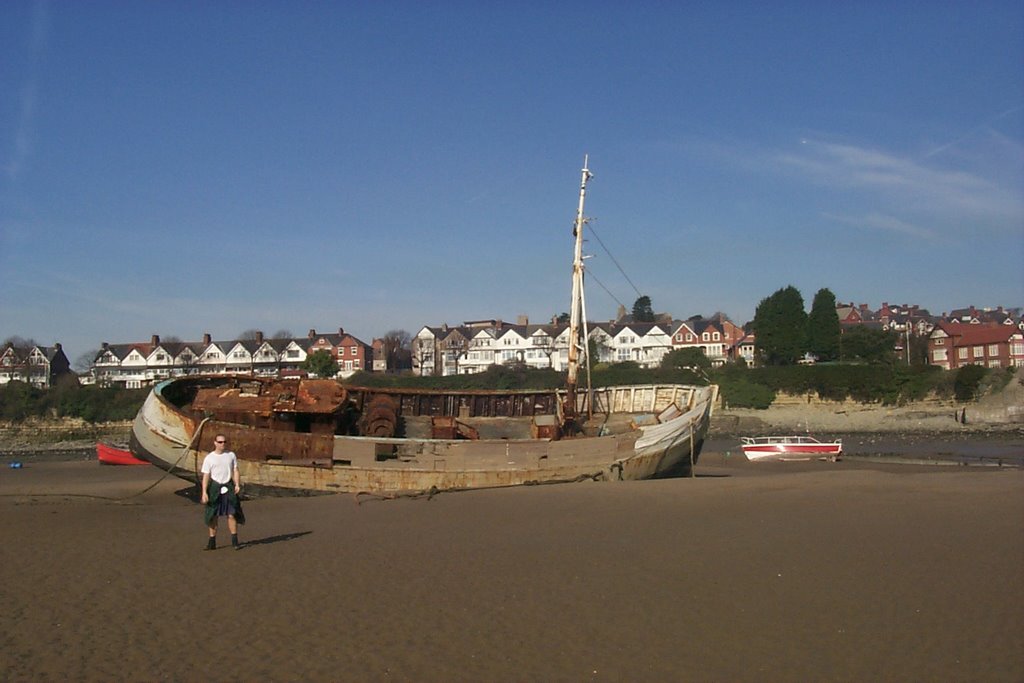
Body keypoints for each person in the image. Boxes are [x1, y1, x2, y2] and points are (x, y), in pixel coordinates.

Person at [200, 434, 245, 550]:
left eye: (224, 442)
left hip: (228, 486)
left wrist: (237, 484)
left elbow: (235, 470)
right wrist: (204, 492)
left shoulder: (230, 455)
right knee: (213, 515)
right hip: (215, 487)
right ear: (215, 443)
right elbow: (206, 475)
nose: (222, 444)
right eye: (220, 442)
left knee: (232, 514)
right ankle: (212, 542)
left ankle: (235, 541)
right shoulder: (210, 458)